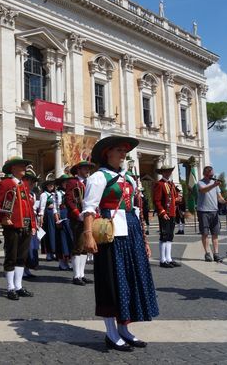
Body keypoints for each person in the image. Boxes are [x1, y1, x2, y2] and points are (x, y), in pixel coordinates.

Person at [82, 136, 158, 351]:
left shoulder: (129, 178)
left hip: (131, 231)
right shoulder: (98, 177)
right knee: (111, 280)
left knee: (130, 279)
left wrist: (144, 240)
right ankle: (111, 333)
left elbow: (136, 209)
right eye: (119, 150)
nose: (124, 153)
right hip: (110, 232)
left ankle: (124, 329)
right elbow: (89, 208)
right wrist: (88, 234)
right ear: (108, 153)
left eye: (125, 150)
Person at [0, 156, 37, 301]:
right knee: (11, 257)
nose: (24, 168)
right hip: (12, 226)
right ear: (13, 168)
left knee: (21, 258)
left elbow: (29, 207)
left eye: (24, 166)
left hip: (26, 226)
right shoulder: (5, 183)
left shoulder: (24, 184)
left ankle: (18, 286)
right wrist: (3, 218)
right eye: (21, 166)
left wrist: (33, 224)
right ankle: (10, 287)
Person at [65, 160, 95, 285]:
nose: (88, 170)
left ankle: (82, 274)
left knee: (84, 248)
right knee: (78, 246)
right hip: (77, 218)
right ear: (78, 170)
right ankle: (76, 276)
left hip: (87, 217)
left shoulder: (88, 183)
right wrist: (77, 214)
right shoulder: (73, 182)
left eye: (88, 168)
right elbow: (69, 200)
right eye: (85, 168)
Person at [196, 166, 226, 262]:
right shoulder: (200, 183)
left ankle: (216, 253)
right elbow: (204, 190)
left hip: (214, 211)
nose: (212, 177)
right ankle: (207, 253)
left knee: (215, 233)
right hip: (203, 211)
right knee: (205, 233)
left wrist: (224, 201)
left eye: (212, 175)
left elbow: (219, 197)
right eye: (210, 175)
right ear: (205, 174)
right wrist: (214, 185)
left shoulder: (215, 184)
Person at [153, 165, 180, 268]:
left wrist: (177, 200)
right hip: (165, 214)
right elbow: (157, 200)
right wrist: (162, 212)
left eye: (169, 171)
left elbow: (173, 198)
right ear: (162, 173)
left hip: (172, 213)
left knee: (170, 236)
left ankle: (169, 258)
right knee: (164, 236)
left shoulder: (171, 184)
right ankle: (162, 260)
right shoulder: (159, 184)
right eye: (166, 171)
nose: (168, 173)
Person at [23, 169, 40, 278]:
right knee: (25, 245)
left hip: (32, 219)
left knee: (32, 245)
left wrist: (35, 223)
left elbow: (33, 209)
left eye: (33, 181)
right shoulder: (21, 192)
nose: (32, 183)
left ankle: (28, 268)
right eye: (30, 181)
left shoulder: (32, 194)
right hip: (24, 219)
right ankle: (22, 269)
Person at [54, 174, 73, 270]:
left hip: (70, 217)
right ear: (61, 184)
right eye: (65, 182)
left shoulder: (72, 192)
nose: (67, 184)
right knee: (62, 241)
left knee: (70, 240)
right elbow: (55, 208)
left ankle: (69, 261)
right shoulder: (58, 194)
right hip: (62, 217)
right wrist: (57, 220)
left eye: (68, 182)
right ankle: (62, 262)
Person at [38, 177, 57, 261]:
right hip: (48, 215)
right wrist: (41, 217)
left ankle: (54, 251)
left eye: (52, 184)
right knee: (49, 233)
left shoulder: (55, 194)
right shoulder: (44, 195)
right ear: (46, 186)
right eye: (49, 185)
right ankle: (49, 253)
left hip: (55, 215)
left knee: (55, 233)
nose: (51, 186)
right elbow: (41, 207)